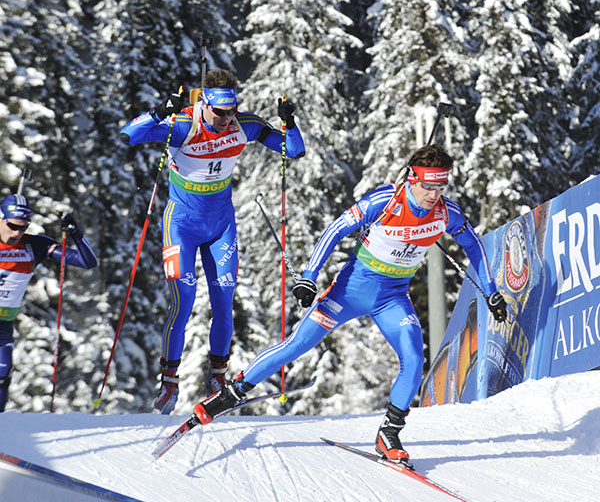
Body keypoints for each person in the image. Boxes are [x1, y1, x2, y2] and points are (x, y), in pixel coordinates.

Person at [192, 143, 507, 466]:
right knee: (296, 345)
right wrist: (309, 277)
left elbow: (475, 247)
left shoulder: (446, 213)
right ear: (412, 179)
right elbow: (335, 230)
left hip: (393, 298)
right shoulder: (385, 201)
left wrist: (491, 291)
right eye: (428, 186)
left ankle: (389, 434)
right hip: (348, 293)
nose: (434, 194)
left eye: (441, 186)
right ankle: (230, 394)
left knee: (414, 359)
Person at [120, 69, 305, 414]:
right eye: (219, 112)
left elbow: (293, 151)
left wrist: (288, 122)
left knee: (224, 301)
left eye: (231, 111)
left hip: (221, 225)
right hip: (182, 224)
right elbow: (128, 135)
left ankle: (218, 376)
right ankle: (169, 382)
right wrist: (161, 111)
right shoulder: (183, 126)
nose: (226, 119)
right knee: (184, 300)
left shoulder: (243, 125)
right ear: (204, 104)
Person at [0, 194, 98, 412]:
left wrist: (75, 233)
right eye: (13, 225)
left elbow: (87, 261)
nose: (17, 233)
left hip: (3, 323)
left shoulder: (34, 246)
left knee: (2, 375)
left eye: (23, 227)